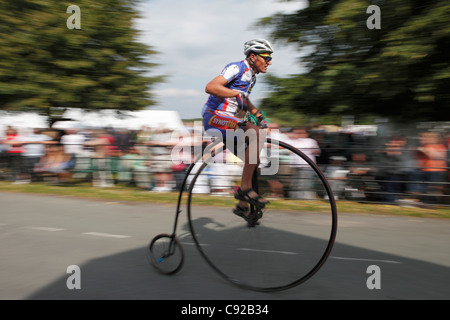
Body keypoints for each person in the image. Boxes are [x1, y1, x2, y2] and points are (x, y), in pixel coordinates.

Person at [202, 39, 273, 223]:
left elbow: (245, 100)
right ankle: (245, 190)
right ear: (252, 56)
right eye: (266, 57)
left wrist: (259, 116)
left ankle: (242, 206)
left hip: (230, 123)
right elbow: (210, 87)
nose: (269, 62)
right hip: (215, 118)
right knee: (256, 133)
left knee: (254, 159)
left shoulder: (252, 76)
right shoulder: (237, 68)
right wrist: (236, 94)